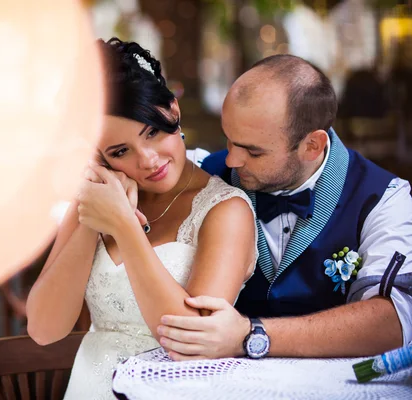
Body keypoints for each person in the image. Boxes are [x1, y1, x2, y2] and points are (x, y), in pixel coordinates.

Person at [25, 38, 258, 399]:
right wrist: (93, 220)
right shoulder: (93, 199)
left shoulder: (226, 210)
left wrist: (123, 225)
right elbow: (44, 328)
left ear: (172, 110)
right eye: (121, 151)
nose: (147, 159)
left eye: (152, 131)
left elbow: (188, 344)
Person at [158, 54, 412, 360]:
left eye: (253, 152)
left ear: (312, 146)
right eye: (229, 140)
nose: (232, 160)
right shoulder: (201, 172)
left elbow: (392, 322)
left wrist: (250, 335)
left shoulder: (383, 197)